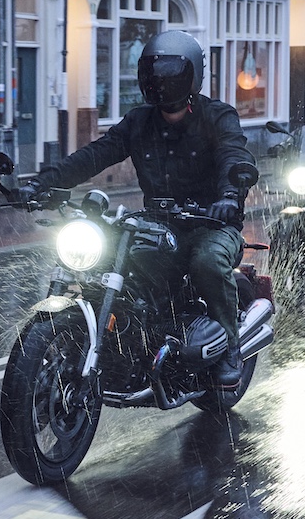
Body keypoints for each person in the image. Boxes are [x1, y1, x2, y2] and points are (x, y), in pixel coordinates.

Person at [31, 31, 255, 389]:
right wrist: (42, 183)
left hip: (212, 224)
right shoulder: (138, 121)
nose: (161, 83)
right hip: (156, 222)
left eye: (170, 74)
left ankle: (229, 345)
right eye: (154, 75)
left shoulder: (217, 116)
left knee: (207, 262)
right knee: (108, 259)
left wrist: (230, 193)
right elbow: (96, 154)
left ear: (191, 75)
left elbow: (234, 154)